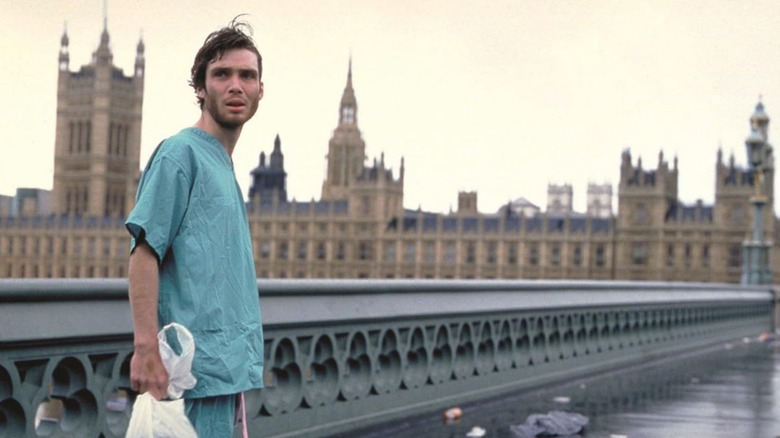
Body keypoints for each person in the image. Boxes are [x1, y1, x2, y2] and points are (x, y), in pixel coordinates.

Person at [125, 17, 264, 437]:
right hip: (188, 379)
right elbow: (144, 253)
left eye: (247, 75)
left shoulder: (222, 164)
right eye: (222, 74)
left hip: (224, 376)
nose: (236, 85)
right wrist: (145, 346)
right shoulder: (179, 155)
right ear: (200, 88)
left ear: (260, 90)